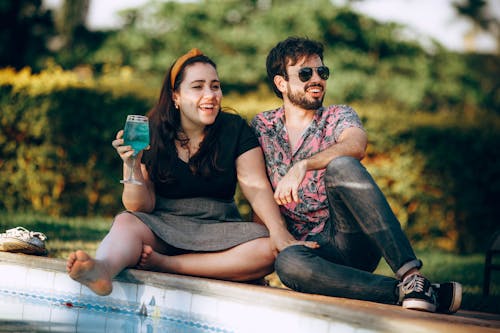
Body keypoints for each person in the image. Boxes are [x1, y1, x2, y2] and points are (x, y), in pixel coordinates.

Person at [66, 48, 315, 296]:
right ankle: (103, 270)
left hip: (219, 228)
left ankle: (167, 265)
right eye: (198, 87)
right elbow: (140, 206)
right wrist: (131, 163)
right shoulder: (152, 130)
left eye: (215, 86)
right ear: (176, 96)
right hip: (164, 226)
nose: (210, 95)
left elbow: (256, 185)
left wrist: (279, 232)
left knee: (269, 250)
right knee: (126, 222)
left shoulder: (234, 128)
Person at [250, 36, 462, 314]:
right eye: (305, 73)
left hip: (352, 238)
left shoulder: (339, 115)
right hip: (313, 251)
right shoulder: (262, 126)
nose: (316, 79)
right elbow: (258, 188)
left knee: (342, 165)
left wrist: (303, 165)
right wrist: (257, 264)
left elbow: (356, 146)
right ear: (281, 83)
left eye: (321, 72)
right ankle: (410, 292)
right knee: (288, 264)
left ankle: (410, 275)